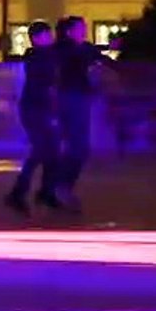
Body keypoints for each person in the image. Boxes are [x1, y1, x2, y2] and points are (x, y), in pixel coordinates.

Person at [51, 16, 114, 213]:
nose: (84, 31)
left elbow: (100, 57)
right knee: (76, 145)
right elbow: (81, 58)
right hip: (69, 99)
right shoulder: (64, 49)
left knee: (79, 146)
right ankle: (60, 186)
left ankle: (61, 186)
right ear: (69, 31)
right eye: (80, 28)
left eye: (84, 27)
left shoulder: (84, 48)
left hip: (80, 98)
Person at [3, 20, 59, 214]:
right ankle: (19, 193)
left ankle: (44, 192)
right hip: (35, 109)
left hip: (39, 108)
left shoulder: (44, 56)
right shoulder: (38, 57)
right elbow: (45, 84)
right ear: (37, 38)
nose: (50, 38)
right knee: (41, 150)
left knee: (50, 150)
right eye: (46, 35)